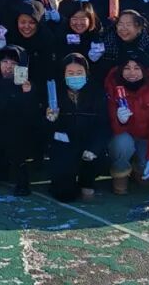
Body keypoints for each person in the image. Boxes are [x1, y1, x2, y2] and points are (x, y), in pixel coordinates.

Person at [0, 46, 40, 195]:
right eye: (4, 62)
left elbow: (33, 117)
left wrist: (27, 95)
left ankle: (21, 174)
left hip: (19, 140)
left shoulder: (28, 86)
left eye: (13, 63)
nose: (8, 67)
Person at [44, 54, 109, 202]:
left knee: (89, 186)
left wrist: (94, 148)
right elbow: (46, 131)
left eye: (79, 73)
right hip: (64, 147)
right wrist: (50, 120)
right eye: (70, 73)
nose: (75, 77)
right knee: (65, 194)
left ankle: (87, 181)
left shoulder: (96, 93)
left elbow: (104, 125)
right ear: (64, 74)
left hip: (88, 145)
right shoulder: (55, 93)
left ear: (86, 73)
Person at [105, 54, 149, 195]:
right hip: (122, 135)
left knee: (147, 171)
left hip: (144, 137)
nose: (132, 73)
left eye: (137, 68)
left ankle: (138, 167)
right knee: (122, 143)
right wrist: (120, 121)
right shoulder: (111, 85)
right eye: (127, 68)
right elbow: (109, 123)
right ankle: (121, 172)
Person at [56, 2, 107, 76]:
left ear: (90, 19)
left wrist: (94, 60)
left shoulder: (98, 35)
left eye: (83, 19)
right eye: (74, 18)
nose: (78, 23)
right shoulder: (62, 33)